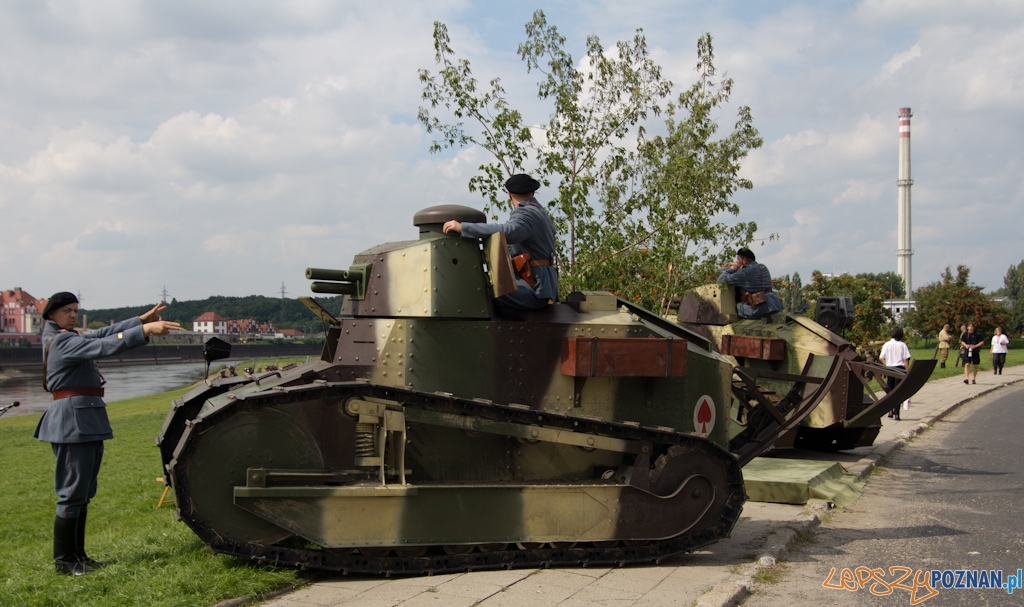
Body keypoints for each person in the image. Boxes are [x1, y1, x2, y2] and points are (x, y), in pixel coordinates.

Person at [35, 293, 180, 575]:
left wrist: (139, 320)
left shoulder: (69, 336)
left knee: (82, 491)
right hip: (72, 423)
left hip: (84, 419)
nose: (73, 315)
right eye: (67, 311)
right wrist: (144, 331)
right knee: (72, 492)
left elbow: (102, 333)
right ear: (51, 315)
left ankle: (78, 555)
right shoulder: (63, 341)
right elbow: (103, 345)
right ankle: (65, 561)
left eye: (76, 310)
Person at [443, 174, 558, 315]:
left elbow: (508, 231)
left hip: (534, 289)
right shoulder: (539, 212)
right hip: (540, 286)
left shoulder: (526, 214)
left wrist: (464, 228)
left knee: (480, 289)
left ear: (509, 195)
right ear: (533, 193)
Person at [717, 247, 784, 320]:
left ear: (744, 260)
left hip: (761, 308)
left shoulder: (744, 272)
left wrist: (732, 269)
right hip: (774, 304)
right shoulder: (762, 267)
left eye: (738, 259)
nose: (736, 262)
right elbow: (751, 275)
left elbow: (721, 280)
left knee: (738, 307)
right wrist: (740, 268)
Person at [879, 326, 911, 420]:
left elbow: (881, 357)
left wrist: (887, 365)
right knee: (898, 392)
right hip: (899, 369)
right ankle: (897, 414)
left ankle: (890, 410)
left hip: (890, 369)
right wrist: (906, 370)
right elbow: (905, 360)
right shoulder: (902, 345)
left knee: (890, 391)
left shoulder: (887, 344)